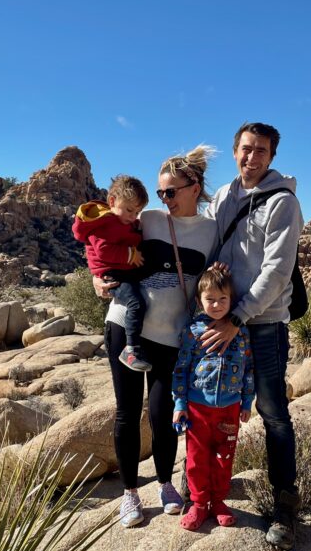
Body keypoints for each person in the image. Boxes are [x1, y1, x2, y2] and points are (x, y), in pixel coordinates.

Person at [94, 146, 219, 528]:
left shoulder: (211, 231)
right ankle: (130, 493)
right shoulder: (146, 219)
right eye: (161, 192)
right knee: (128, 411)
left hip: (172, 335)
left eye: (170, 191)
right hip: (126, 326)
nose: (164, 199)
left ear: (194, 188)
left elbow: (214, 280)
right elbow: (99, 240)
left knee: (164, 413)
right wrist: (97, 277)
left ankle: (166, 484)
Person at [202, 122, 304, 550]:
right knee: (208, 402)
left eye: (261, 150)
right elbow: (204, 242)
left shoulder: (283, 202)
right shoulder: (224, 197)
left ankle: (285, 503)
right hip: (221, 318)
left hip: (260, 323)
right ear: (234, 151)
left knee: (272, 410)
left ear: (271, 157)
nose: (252, 157)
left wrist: (238, 317)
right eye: (246, 148)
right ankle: (204, 489)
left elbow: (277, 271)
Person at [172, 264, 254, 531]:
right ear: (199, 301)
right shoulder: (193, 331)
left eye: (222, 299)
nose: (217, 304)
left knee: (224, 456)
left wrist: (246, 402)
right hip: (197, 408)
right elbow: (181, 368)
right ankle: (199, 503)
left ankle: (218, 501)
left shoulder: (240, 330)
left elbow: (248, 368)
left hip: (229, 408)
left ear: (231, 300)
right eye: (210, 299)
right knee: (196, 458)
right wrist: (180, 403)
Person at [72, 176, 153, 372]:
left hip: (122, 271)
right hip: (113, 275)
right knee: (136, 303)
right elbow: (104, 251)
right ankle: (131, 350)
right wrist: (130, 254)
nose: (132, 216)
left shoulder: (121, 222)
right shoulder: (106, 223)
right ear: (112, 201)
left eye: (137, 212)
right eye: (129, 210)